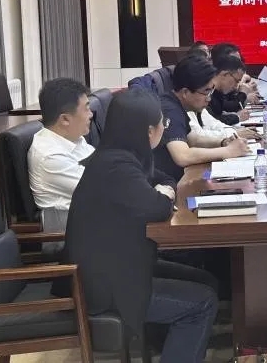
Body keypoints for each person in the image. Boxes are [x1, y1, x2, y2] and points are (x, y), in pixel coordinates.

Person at [60, 89, 218, 363]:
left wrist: (163, 193)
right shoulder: (116, 167)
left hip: (120, 265)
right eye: (163, 124)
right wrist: (163, 196)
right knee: (202, 302)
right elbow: (158, 207)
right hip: (105, 284)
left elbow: (166, 181)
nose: (164, 128)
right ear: (148, 131)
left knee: (206, 280)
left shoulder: (119, 155)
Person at [154, 54, 249, 182]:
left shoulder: (177, 105)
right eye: (206, 92)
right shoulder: (169, 109)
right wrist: (228, 151)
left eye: (211, 91)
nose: (209, 98)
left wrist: (222, 142)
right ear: (185, 92)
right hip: (162, 185)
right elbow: (182, 156)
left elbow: (193, 140)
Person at [28, 78, 95, 235]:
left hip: (94, 225)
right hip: (71, 236)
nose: (91, 114)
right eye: (86, 109)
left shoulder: (74, 138)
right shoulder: (49, 156)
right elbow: (102, 187)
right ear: (65, 119)